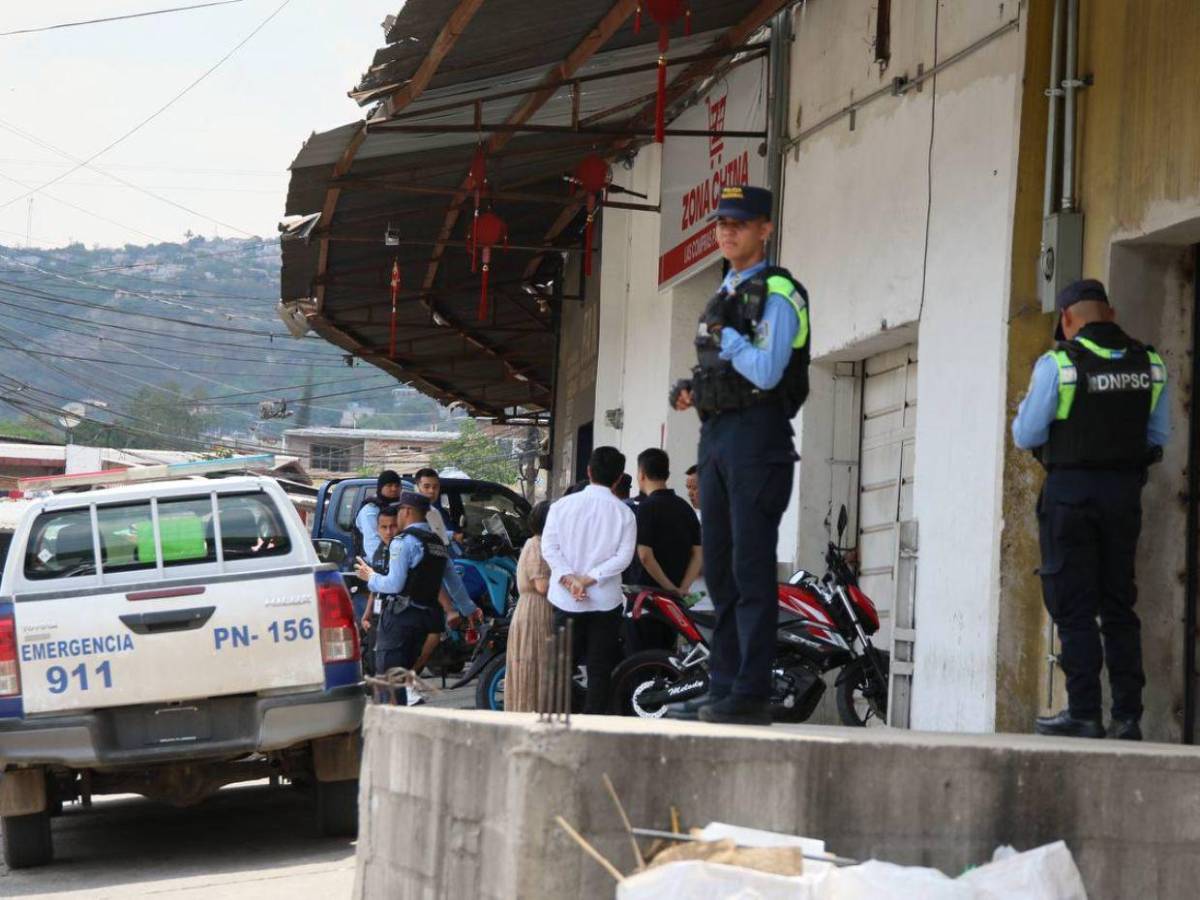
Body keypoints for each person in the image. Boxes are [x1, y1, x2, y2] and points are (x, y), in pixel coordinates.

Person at [668, 185, 810, 726]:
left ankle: (750, 690)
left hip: (759, 439)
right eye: (722, 223)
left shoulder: (779, 292)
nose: (727, 232)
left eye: (740, 223)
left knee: (750, 571)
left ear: (765, 230)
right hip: (719, 438)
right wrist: (691, 390)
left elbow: (768, 371)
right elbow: (726, 371)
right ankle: (723, 683)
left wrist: (729, 343)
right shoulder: (721, 293)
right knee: (722, 570)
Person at [1013, 278, 1169, 741]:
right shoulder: (1150, 363)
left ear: (1066, 321)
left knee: (1074, 606)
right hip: (1123, 496)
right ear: (1111, 313)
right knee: (1119, 604)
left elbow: (1026, 435)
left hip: (1071, 495)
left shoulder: (1060, 364)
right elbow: (1159, 437)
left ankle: (1083, 712)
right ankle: (1127, 717)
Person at [541, 446, 637, 714]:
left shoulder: (561, 506)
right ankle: (593, 722)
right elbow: (623, 557)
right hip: (605, 603)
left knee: (560, 667)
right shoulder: (624, 513)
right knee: (599, 669)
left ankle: (556, 722)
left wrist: (570, 579)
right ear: (619, 478)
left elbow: (549, 548)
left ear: (589, 471)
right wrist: (589, 580)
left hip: (564, 599)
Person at [354, 492, 457, 705]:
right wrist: (467, 608)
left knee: (389, 680)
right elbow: (452, 580)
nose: (394, 523)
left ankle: (392, 727)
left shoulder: (403, 542)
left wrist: (370, 577)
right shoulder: (436, 542)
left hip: (401, 617)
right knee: (397, 677)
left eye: (399, 511)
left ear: (407, 512)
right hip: (424, 618)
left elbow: (393, 584)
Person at [505, 501, 554, 712]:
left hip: (532, 608)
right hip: (536, 610)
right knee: (534, 665)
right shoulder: (538, 545)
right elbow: (542, 585)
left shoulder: (536, 543)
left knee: (532, 667)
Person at [354, 469, 402, 566]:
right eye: (389, 485)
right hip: (375, 565)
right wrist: (386, 565)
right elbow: (372, 543)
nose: (394, 489)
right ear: (381, 487)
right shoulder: (370, 510)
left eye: (397, 486)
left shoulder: (401, 506)